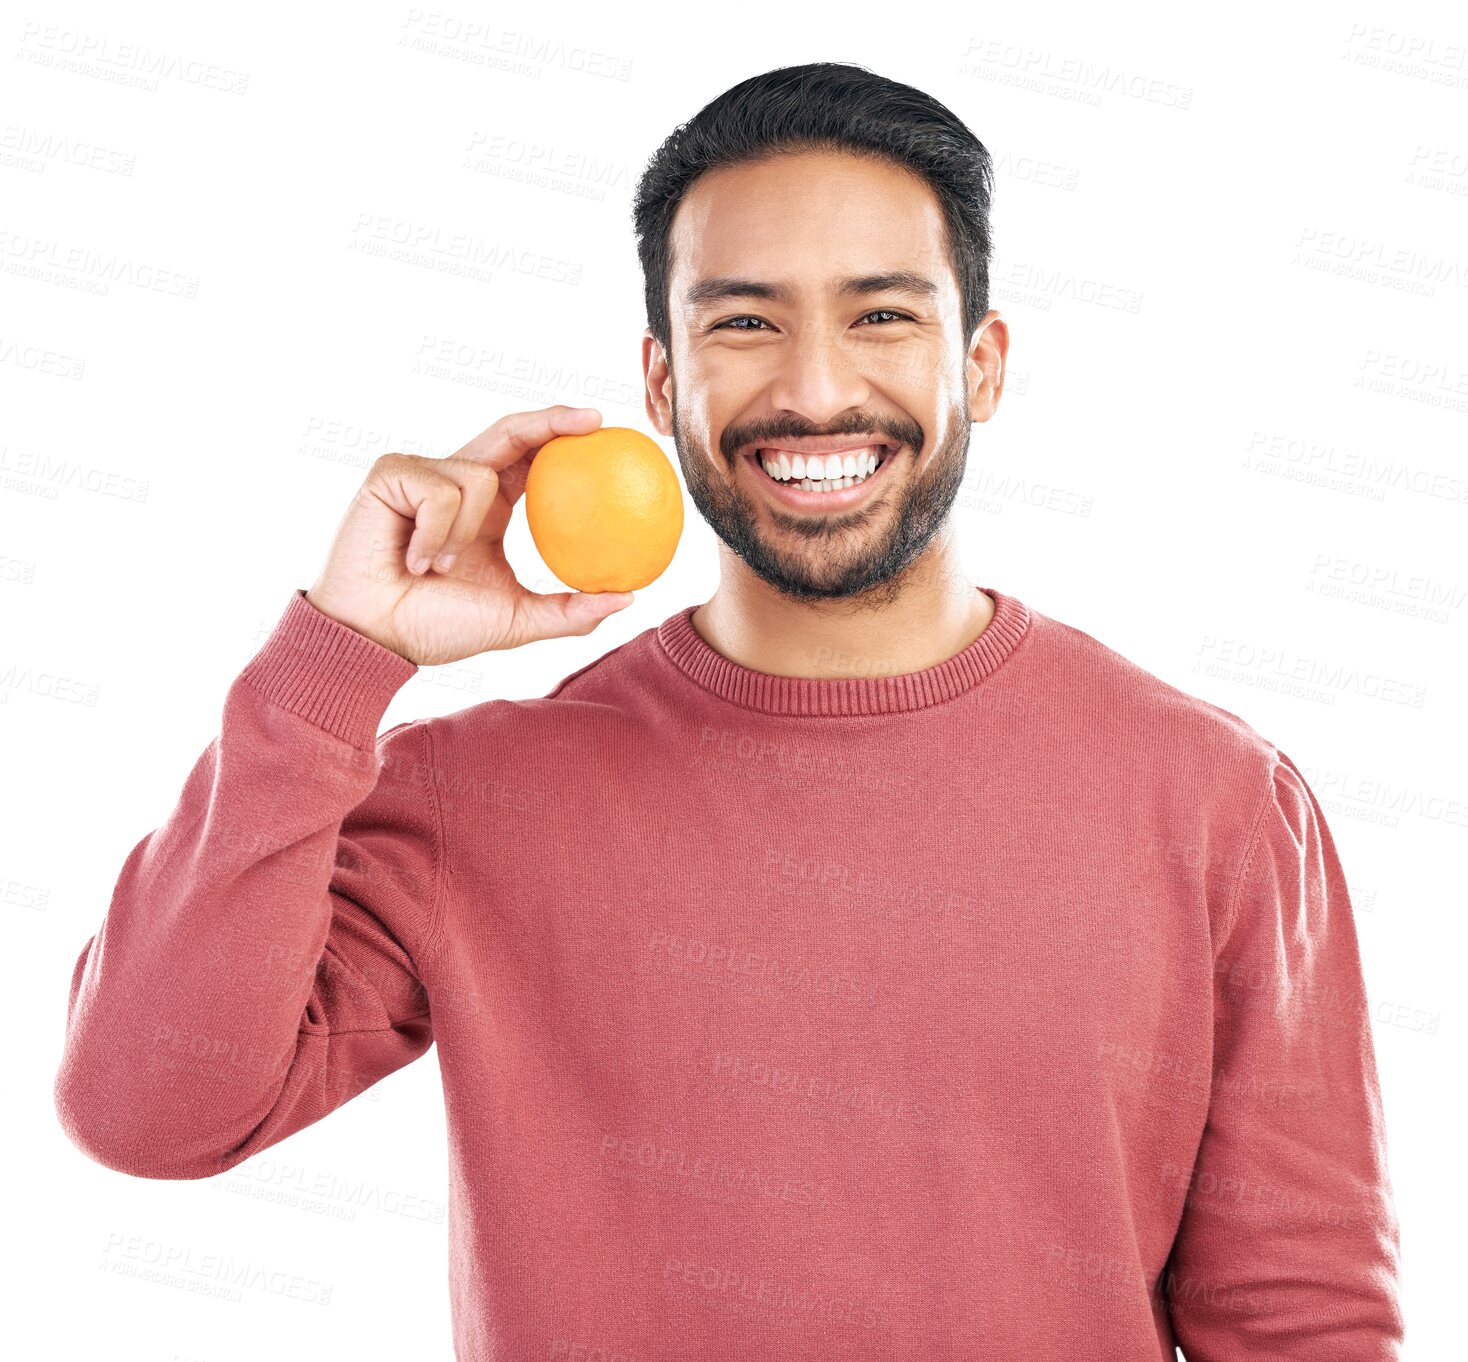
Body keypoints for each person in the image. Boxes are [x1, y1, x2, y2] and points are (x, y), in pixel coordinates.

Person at [53, 61, 1404, 1360]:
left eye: (882, 314)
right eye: (744, 320)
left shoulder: (1216, 799)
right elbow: (145, 1107)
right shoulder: (483, 789)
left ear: (982, 364)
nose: (816, 388)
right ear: (660, 381)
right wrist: (339, 655)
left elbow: (1305, 1323)